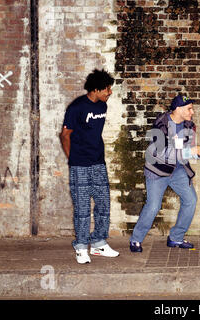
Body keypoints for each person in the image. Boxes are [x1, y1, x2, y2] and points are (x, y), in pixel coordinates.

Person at [129, 95, 200, 253]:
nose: (192, 112)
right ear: (178, 109)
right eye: (189, 108)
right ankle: (136, 239)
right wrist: (189, 151)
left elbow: (185, 150)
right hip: (157, 172)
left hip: (177, 170)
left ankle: (176, 238)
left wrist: (196, 153)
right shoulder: (160, 125)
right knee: (153, 206)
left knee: (191, 200)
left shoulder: (189, 126)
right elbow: (159, 153)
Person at [60, 69, 119, 264]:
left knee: (103, 205)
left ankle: (99, 243)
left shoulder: (103, 106)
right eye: (107, 89)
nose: (109, 92)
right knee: (83, 207)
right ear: (95, 89)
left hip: (98, 163)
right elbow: (65, 135)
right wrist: (72, 158)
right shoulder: (76, 108)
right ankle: (81, 247)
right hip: (80, 165)